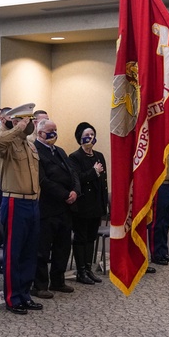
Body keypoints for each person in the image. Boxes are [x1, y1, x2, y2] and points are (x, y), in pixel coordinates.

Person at [0, 104, 42, 315]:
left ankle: (25, 294)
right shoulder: (7, 142)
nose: (30, 124)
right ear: (16, 121)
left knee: (30, 251)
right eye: (26, 120)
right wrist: (16, 128)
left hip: (32, 202)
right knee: (14, 251)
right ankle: (13, 298)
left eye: (31, 120)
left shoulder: (30, 145)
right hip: (14, 202)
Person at [32, 119, 80, 298]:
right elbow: (42, 180)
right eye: (50, 132)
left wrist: (75, 191)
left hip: (65, 208)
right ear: (40, 133)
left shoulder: (59, 151)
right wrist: (64, 194)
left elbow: (72, 173)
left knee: (63, 246)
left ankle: (58, 281)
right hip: (47, 207)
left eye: (55, 131)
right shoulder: (35, 151)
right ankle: (40, 285)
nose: (54, 134)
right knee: (43, 249)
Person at [69, 122, 106, 285]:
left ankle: (89, 269)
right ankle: (81, 271)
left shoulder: (99, 156)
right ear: (80, 138)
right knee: (81, 237)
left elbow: (103, 183)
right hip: (83, 204)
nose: (90, 138)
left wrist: (104, 204)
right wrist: (94, 172)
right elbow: (78, 179)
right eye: (86, 135)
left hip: (96, 204)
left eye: (92, 134)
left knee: (91, 237)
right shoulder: (74, 157)